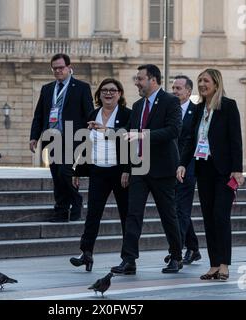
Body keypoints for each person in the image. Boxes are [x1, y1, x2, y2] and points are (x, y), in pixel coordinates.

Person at [110, 64, 183, 275]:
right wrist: (108, 130)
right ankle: (129, 260)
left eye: (140, 79)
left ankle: (176, 257)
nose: (137, 83)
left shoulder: (170, 101)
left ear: (152, 80)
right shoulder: (138, 105)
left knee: (168, 215)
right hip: (139, 168)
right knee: (133, 214)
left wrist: (145, 135)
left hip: (162, 169)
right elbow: (130, 131)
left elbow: (173, 130)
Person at [177, 68, 244, 281]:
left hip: (224, 171)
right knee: (208, 218)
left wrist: (238, 169)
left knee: (220, 217)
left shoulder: (228, 106)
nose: (202, 84)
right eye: (199, 81)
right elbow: (191, 140)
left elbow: (236, 140)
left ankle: (224, 264)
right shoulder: (198, 109)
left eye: (206, 81)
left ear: (216, 83)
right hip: (203, 169)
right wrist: (182, 164)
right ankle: (214, 264)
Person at [69, 78, 131, 272]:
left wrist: (128, 169)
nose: (108, 93)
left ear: (119, 94)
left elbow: (131, 141)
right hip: (98, 170)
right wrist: (78, 170)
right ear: (99, 94)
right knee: (93, 214)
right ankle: (86, 253)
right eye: (104, 90)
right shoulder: (93, 113)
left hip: (119, 171)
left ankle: (129, 259)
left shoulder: (127, 114)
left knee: (126, 216)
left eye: (113, 90)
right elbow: (87, 144)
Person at [29, 53, 94, 222]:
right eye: (55, 68)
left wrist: (89, 138)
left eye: (61, 68)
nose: (58, 71)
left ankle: (77, 202)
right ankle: (61, 210)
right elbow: (39, 115)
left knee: (66, 172)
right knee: (56, 175)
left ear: (69, 67)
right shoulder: (47, 89)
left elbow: (89, 114)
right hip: (53, 139)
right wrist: (34, 137)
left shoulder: (81, 87)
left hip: (73, 138)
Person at [170, 75, 201, 265]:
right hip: (169, 165)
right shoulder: (167, 110)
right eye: (173, 88)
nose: (174, 91)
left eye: (178, 88)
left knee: (181, 208)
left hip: (188, 166)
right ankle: (193, 248)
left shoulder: (196, 111)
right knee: (176, 208)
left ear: (188, 92)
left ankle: (176, 250)